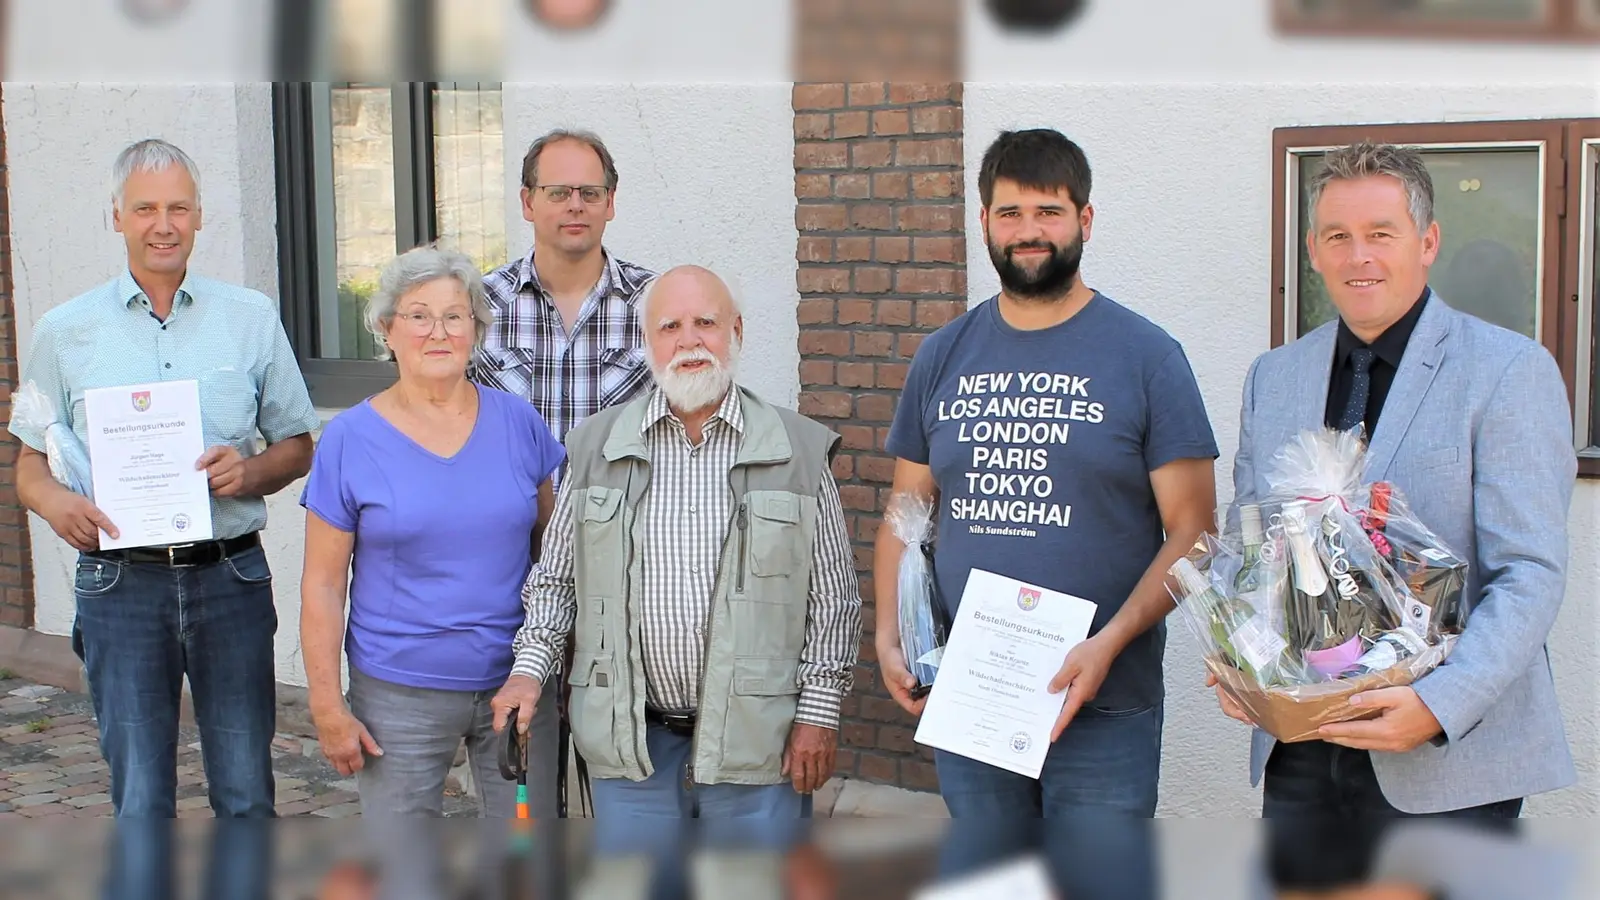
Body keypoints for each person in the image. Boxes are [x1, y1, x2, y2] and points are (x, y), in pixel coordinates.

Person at [873, 128, 1218, 895]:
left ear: (1085, 221)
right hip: (976, 693)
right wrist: (888, 630)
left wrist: (1111, 641)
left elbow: (1196, 535)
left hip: (1103, 700)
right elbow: (907, 510)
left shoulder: (1146, 356)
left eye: (1049, 211)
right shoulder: (943, 354)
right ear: (986, 223)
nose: (1029, 230)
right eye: (1009, 212)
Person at [1220, 140, 1578, 818]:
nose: (1359, 257)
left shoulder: (1508, 371)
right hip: (1300, 748)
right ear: (1313, 249)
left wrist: (1439, 706)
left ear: (1428, 241)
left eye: (1381, 234)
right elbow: (1248, 545)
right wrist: (1242, 658)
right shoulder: (1275, 376)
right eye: (1339, 236)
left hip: (1446, 760)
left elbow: (1529, 573)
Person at [489, 265, 861, 897]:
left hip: (757, 743)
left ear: (736, 332)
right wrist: (529, 669)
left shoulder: (795, 451)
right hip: (630, 739)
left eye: (706, 323)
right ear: (647, 342)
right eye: (670, 326)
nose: (690, 340)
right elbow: (555, 581)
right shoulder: (596, 447)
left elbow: (833, 598)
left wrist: (818, 714)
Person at [9, 138, 319, 819]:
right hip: (121, 586)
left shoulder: (250, 318)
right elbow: (27, 463)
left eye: (179, 207)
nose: (164, 224)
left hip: (229, 578)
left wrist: (251, 470)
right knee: (142, 799)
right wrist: (56, 502)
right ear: (116, 216)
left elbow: (298, 446)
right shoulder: (65, 332)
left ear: (201, 216)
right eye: (145, 208)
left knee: (245, 793)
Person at [298, 245, 565, 818]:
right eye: (419, 315)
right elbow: (323, 584)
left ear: (477, 328)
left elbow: (554, 555)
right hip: (398, 695)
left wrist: (548, 662)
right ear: (387, 329)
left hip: (516, 688)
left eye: (454, 315)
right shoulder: (349, 439)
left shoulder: (520, 423)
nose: (437, 331)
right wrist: (326, 702)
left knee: (525, 861)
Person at [470, 128, 657, 815]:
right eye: (557, 192)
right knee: (524, 775)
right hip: (510, 571)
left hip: (629, 573)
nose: (573, 205)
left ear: (611, 203)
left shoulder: (658, 308)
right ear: (527, 201)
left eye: (590, 192)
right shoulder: (476, 308)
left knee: (625, 771)